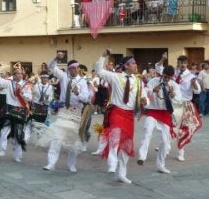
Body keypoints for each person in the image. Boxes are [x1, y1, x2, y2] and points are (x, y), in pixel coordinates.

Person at [94, 49, 148, 184]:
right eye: (133, 63)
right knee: (115, 137)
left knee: (126, 145)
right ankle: (112, 164)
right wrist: (103, 56)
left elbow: (144, 96)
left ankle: (121, 174)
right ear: (126, 66)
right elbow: (99, 70)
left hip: (129, 115)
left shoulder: (138, 81)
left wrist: (144, 101)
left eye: (135, 64)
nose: (136, 65)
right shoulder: (115, 77)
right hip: (117, 111)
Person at [40, 53, 89, 172]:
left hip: (75, 112)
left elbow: (86, 99)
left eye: (77, 68)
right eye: (72, 68)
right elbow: (51, 66)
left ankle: (71, 164)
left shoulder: (82, 81)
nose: (75, 70)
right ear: (69, 69)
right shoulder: (63, 77)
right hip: (63, 112)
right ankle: (51, 163)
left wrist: (78, 93)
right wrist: (56, 58)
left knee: (73, 140)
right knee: (57, 137)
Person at [137, 65, 181, 173]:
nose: (166, 79)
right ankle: (142, 156)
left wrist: (173, 95)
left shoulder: (174, 85)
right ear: (162, 74)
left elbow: (179, 101)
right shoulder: (153, 81)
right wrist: (152, 91)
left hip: (165, 113)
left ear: (172, 77)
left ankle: (160, 165)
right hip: (153, 111)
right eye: (165, 76)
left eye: (169, 78)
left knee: (165, 141)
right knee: (147, 130)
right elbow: (145, 93)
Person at [0, 62, 33, 163]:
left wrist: (22, 92)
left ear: (22, 75)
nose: (18, 75)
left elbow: (30, 97)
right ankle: (2, 149)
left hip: (20, 111)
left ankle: (17, 155)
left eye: (20, 73)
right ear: (14, 75)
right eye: (16, 73)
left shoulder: (26, 85)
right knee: (4, 129)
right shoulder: (9, 83)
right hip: (9, 109)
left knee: (18, 134)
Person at [173, 55, 202, 161]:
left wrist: (194, 84)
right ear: (178, 63)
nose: (183, 65)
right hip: (174, 104)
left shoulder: (190, 76)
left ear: (187, 64)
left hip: (185, 105)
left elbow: (197, 91)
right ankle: (166, 145)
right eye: (181, 62)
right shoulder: (174, 74)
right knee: (169, 127)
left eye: (185, 63)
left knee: (183, 129)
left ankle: (181, 152)